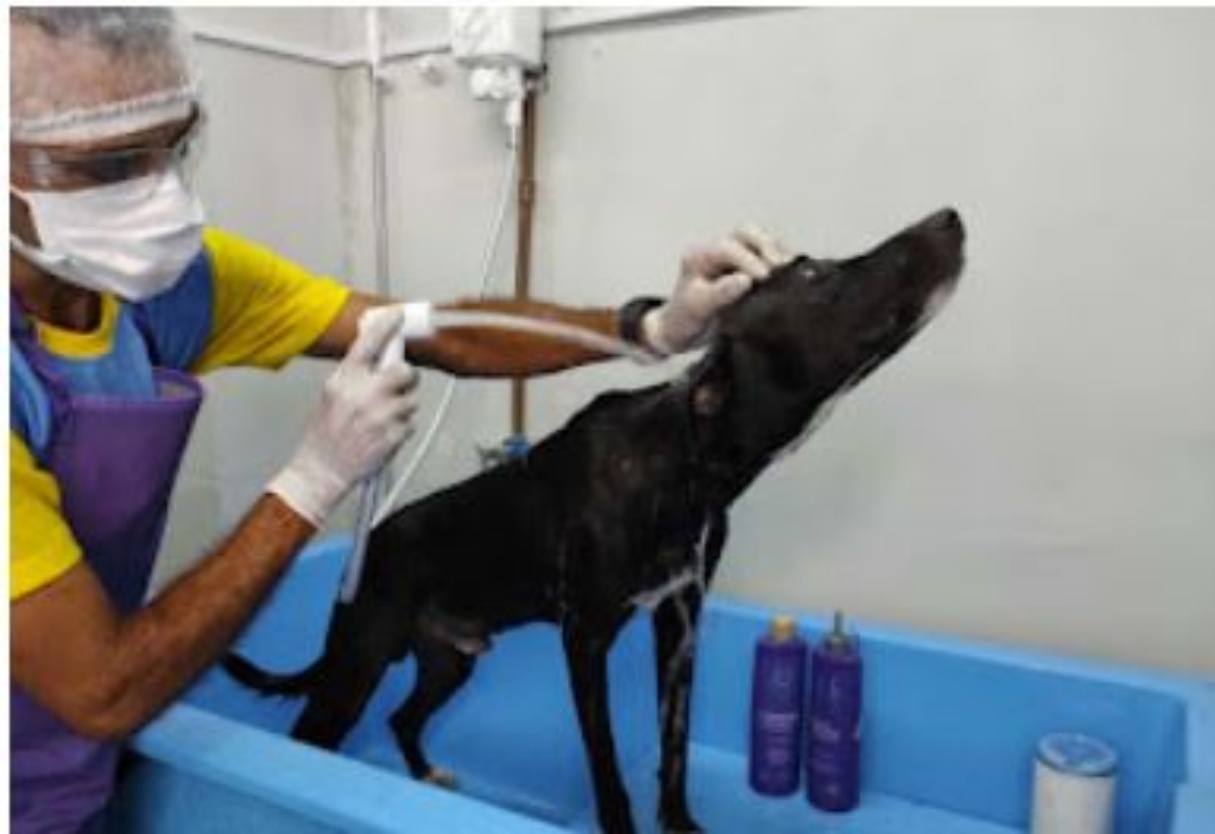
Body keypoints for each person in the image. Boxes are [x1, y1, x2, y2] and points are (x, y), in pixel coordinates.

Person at [8, 8, 791, 832]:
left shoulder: (163, 288)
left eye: (177, 144)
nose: (161, 194)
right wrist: (311, 482)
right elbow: (103, 688)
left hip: (83, 760)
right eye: (109, 166)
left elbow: (427, 330)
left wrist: (646, 328)